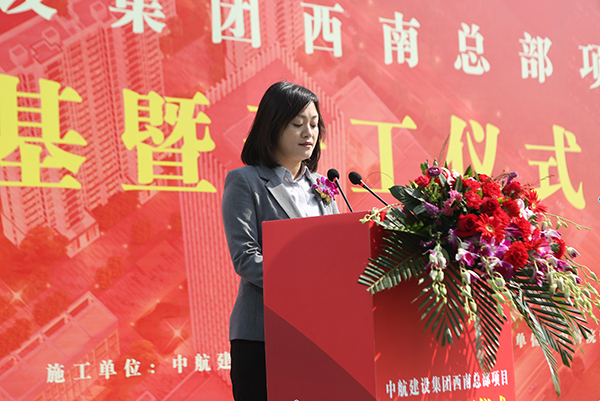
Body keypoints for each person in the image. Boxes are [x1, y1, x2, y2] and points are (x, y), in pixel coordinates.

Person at [221, 81, 339, 400]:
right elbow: (246, 258)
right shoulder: (245, 182)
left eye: (314, 124)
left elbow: (338, 255)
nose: (308, 133)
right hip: (262, 337)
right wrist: (305, 280)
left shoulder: (325, 187)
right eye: (298, 124)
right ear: (272, 127)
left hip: (317, 336)